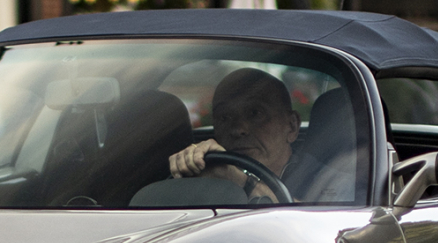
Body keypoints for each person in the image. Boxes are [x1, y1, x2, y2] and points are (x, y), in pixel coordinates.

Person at [135, 68, 356, 205]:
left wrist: (240, 180)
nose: (238, 129)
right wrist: (186, 173)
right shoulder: (207, 173)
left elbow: (323, 233)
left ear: (291, 127)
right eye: (225, 117)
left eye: (255, 114)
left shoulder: (335, 183)